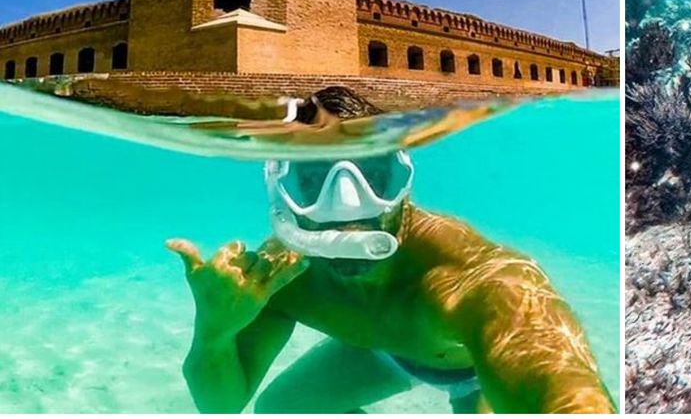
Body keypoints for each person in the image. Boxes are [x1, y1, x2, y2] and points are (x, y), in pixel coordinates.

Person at [166, 87, 615, 413]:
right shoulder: (279, 279)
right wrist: (214, 332)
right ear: (280, 190)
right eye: (313, 181)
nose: (347, 207)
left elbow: (560, 391)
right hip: (387, 354)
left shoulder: (470, 279)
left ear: (403, 182)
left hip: (473, 373)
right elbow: (221, 405)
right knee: (280, 410)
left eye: (373, 177)